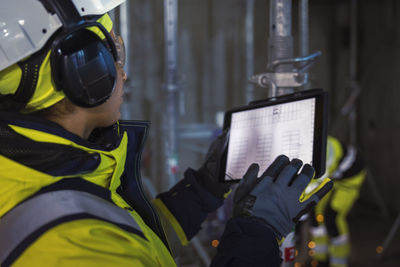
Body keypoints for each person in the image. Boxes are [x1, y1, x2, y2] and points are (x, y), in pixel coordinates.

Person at [0, 1, 332, 266]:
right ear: (85, 71)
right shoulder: (70, 248)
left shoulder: (44, 172)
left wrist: (203, 188)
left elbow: (132, 239)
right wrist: (258, 232)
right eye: (115, 54)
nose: (124, 74)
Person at [308, 136, 366, 267]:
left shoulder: (326, 153)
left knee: (332, 216)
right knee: (316, 215)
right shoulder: (308, 146)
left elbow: (313, 186)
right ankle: (320, 259)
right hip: (333, 175)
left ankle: (339, 263)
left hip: (351, 178)